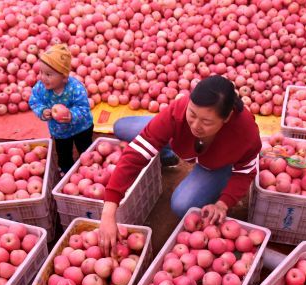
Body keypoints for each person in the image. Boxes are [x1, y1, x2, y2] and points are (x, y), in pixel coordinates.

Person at [99, 75, 262, 254]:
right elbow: (136, 153)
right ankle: (165, 151)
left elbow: (246, 171)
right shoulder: (179, 111)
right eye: (192, 114)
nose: (196, 125)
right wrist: (108, 211)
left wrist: (223, 203)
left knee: (182, 204)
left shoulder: (245, 132)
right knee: (121, 127)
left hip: (215, 165)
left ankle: (214, 176)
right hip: (180, 142)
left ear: (227, 117)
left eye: (206, 122)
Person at [28, 44, 94, 174]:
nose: (42, 77)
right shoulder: (40, 88)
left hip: (82, 127)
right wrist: (42, 111)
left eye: (48, 74)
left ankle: (89, 166)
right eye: (40, 72)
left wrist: (72, 115)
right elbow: (34, 101)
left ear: (64, 77)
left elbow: (83, 107)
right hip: (59, 131)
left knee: (85, 148)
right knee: (63, 151)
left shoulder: (76, 88)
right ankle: (65, 168)